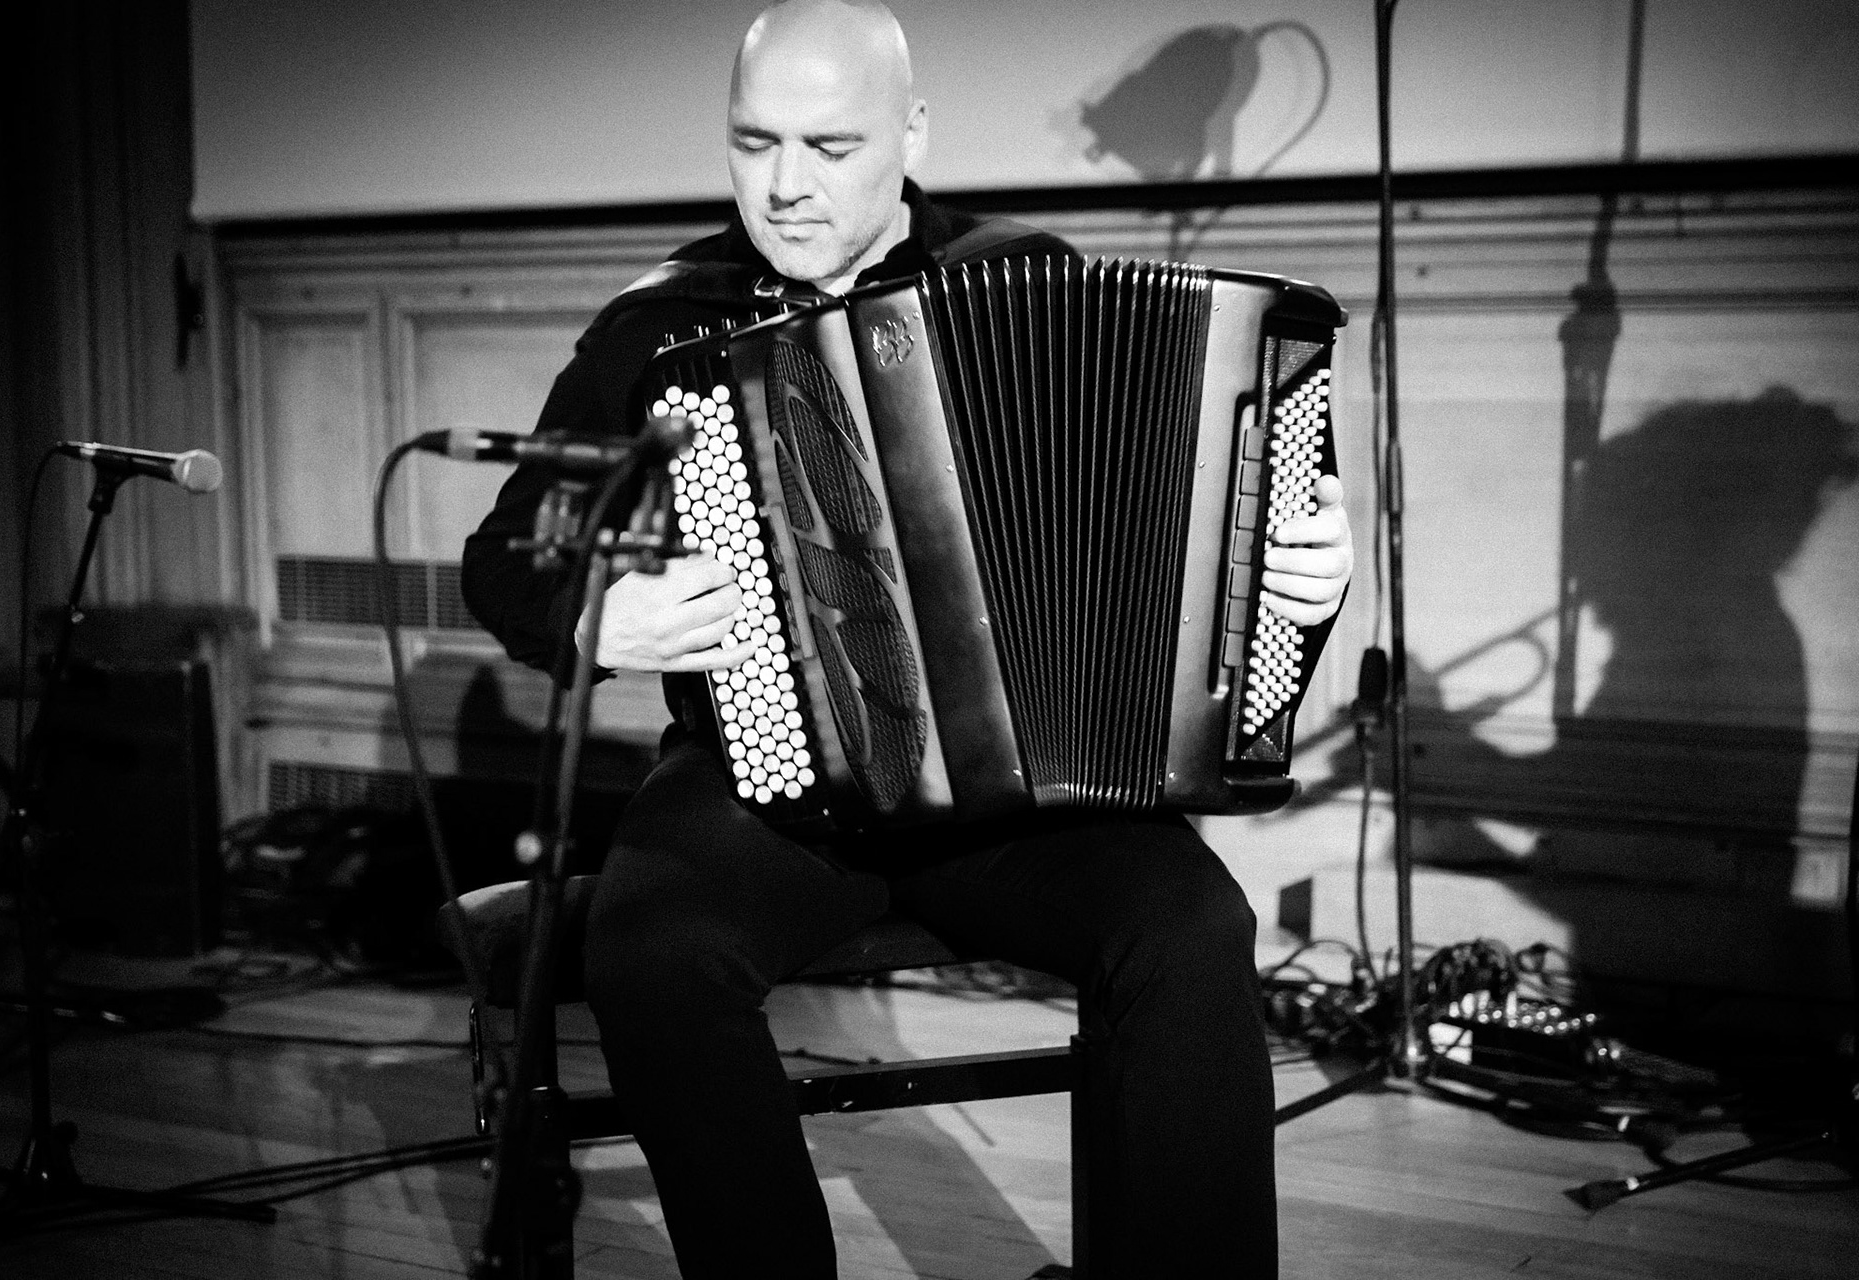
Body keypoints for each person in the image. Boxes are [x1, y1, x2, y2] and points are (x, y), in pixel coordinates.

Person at [462, 3, 1353, 1276]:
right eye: (753, 141)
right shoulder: (662, 328)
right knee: (653, 949)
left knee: (1190, 926)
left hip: (1020, 799)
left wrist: (1296, 577)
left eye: (829, 144)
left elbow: (1193, 540)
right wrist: (599, 617)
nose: (784, 183)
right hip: (765, 786)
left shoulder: (1028, 279)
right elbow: (506, 559)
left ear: (911, 131)